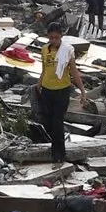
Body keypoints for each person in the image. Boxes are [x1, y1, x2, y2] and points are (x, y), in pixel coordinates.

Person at [36, 22, 89, 165]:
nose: (54, 40)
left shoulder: (67, 51)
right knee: (47, 121)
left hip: (62, 91)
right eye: (51, 38)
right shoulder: (44, 50)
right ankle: (56, 148)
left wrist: (83, 91)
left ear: (61, 37)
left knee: (57, 122)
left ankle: (59, 154)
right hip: (47, 90)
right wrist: (39, 84)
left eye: (56, 38)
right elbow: (44, 69)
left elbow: (74, 72)